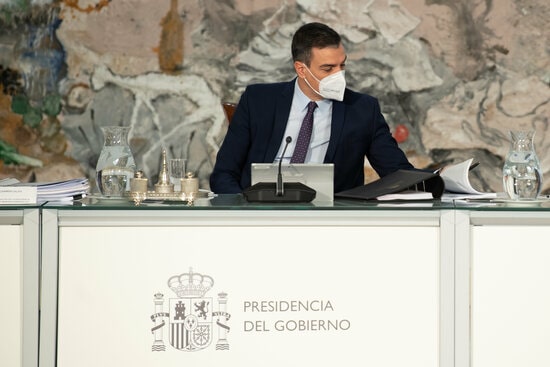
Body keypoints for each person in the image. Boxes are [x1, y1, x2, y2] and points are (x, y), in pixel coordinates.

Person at [210, 22, 414, 194]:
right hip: (261, 211)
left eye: (341, 66)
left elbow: (397, 173)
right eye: (328, 68)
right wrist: (243, 214)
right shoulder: (258, 100)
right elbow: (224, 174)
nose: (338, 75)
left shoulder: (362, 109)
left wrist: (437, 184)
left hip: (329, 218)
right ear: (301, 69)